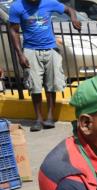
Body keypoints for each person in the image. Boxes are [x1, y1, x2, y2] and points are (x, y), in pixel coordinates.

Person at [8, 0, 82, 132]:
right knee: (34, 85)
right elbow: (14, 31)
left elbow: (69, 9)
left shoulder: (49, 2)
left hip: (51, 49)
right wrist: (20, 54)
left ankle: (50, 116)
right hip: (31, 50)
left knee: (51, 84)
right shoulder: (17, 7)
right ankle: (38, 118)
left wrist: (74, 18)